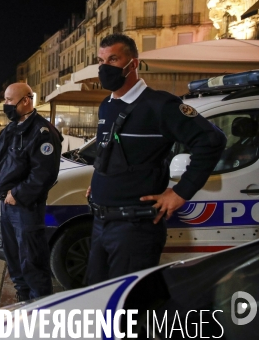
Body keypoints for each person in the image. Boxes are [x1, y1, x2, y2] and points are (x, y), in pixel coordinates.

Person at [85, 34, 226, 285]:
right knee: (97, 297)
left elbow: (211, 141)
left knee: (128, 308)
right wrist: (100, 180)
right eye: (101, 60)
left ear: (133, 63)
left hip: (135, 228)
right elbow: (110, 151)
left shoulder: (160, 105)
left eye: (113, 59)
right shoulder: (107, 105)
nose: (105, 67)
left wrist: (180, 192)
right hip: (100, 222)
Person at [0, 83, 63, 301]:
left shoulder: (43, 132)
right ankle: (23, 300)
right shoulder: (10, 129)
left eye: (10, 100)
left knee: (32, 261)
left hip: (26, 208)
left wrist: (17, 194)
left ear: (26, 101)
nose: (6, 104)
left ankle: (40, 308)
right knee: (13, 259)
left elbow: (44, 174)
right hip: (6, 204)